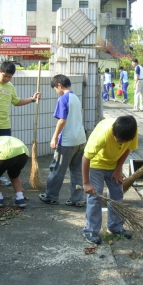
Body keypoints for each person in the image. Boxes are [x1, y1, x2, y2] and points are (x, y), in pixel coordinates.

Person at [82, 116, 139, 245]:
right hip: (96, 163)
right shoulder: (103, 135)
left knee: (117, 194)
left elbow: (128, 149)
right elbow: (86, 157)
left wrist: (118, 170)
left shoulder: (132, 132)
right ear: (113, 131)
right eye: (117, 139)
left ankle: (115, 226)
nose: (119, 142)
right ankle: (91, 230)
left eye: (122, 141)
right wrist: (86, 183)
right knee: (95, 196)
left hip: (114, 164)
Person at [39, 74, 87, 207]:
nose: (56, 91)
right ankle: (77, 199)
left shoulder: (63, 99)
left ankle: (51, 196)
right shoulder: (75, 97)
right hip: (80, 139)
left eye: (55, 88)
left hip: (67, 141)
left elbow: (62, 120)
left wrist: (54, 137)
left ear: (59, 85)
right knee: (77, 171)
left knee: (57, 169)